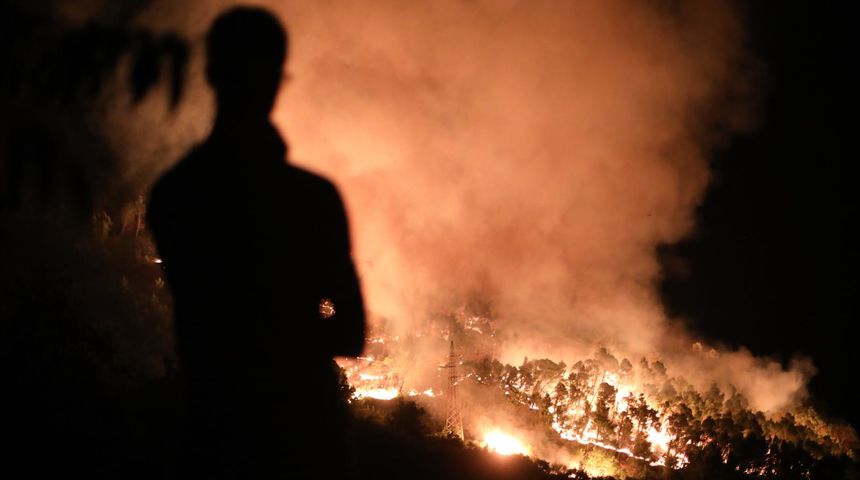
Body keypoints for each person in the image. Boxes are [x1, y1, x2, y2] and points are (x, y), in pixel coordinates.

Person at [147, 7, 366, 478]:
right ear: (277, 82)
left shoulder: (174, 195)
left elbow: (202, 319)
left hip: (214, 439)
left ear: (210, 74)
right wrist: (291, 333)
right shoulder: (312, 198)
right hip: (303, 442)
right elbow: (351, 333)